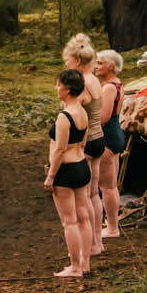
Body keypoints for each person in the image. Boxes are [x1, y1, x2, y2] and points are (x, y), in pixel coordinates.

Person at [45, 69, 94, 278]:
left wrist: (51, 176)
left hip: (66, 170)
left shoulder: (64, 117)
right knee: (84, 217)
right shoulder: (83, 112)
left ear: (67, 89)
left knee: (69, 221)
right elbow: (83, 142)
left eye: (58, 85)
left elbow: (59, 149)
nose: (56, 88)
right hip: (81, 166)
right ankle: (85, 262)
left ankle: (74, 266)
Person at [62, 35, 107, 257]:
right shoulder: (95, 80)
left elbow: (70, 111)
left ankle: (92, 244)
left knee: (86, 196)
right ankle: (98, 241)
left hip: (86, 142)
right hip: (99, 138)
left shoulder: (82, 83)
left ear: (78, 61)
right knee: (94, 194)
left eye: (68, 60)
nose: (66, 64)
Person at [92, 49, 127, 237]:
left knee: (106, 186)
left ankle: (113, 227)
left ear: (111, 66)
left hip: (107, 136)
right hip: (115, 133)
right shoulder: (117, 84)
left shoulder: (108, 88)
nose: (96, 66)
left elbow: (103, 117)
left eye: (100, 63)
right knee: (111, 185)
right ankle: (112, 223)